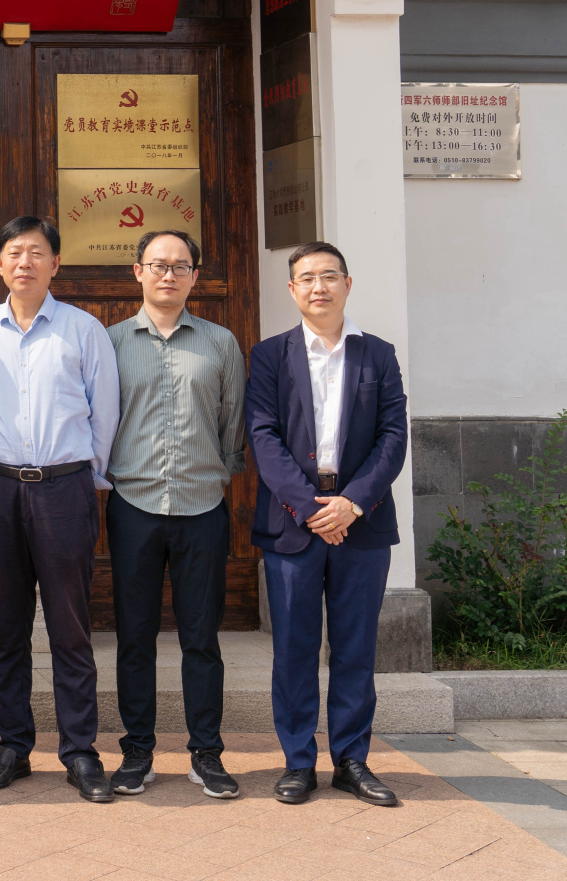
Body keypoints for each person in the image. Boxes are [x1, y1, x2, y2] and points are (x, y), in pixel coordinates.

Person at [0, 215, 119, 802]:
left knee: (70, 626)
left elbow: (104, 413)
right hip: (0, 488)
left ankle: (80, 750)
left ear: (56, 263)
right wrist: (3, 463)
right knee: (6, 624)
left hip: (64, 489)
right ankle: (12, 745)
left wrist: (81, 476)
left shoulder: (83, 330)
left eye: (36, 252)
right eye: (14, 252)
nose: (24, 262)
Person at [247, 241, 409, 808]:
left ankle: (351, 760)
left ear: (347, 284)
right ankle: (298, 762)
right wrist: (311, 506)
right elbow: (262, 436)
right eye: (308, 278)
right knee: (294, 648)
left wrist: (352, 502)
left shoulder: (378, 355)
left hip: (361, 522)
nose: (319, 287)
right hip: (293, 523)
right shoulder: (270, 355)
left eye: (329, 276)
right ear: (292, 289)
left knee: (355, 647)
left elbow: (393, 437)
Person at [103, 231, 246, 800]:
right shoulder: (111, 342)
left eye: (180, 266)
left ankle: (206, 753)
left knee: (201, 639)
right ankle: (137, 751)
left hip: (202, 506)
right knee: (134, 638)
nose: (168, 274)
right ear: (137, 271)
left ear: (195, 276)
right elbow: (99, 418)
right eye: (158, 265)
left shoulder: (220, 343)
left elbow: (233, 424)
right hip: (133, 505)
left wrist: (216, 472)